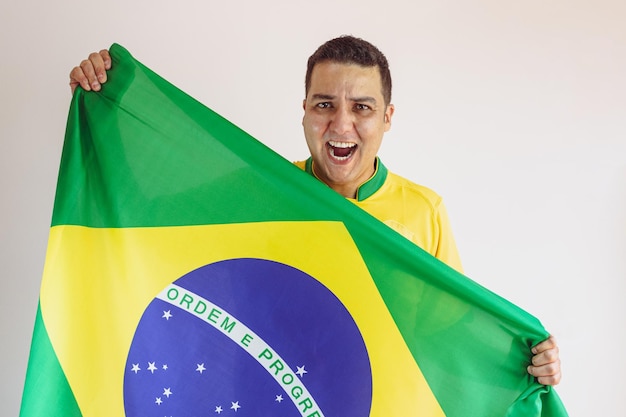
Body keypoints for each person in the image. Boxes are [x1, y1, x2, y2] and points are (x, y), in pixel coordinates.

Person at [69, 35, 561, 386]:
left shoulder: (424, 211)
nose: (341, 124)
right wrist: (109, 112)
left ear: (388, 118)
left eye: (362, 108)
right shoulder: (261, 193)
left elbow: (451, 343)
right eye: (325, 104)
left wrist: (524, 361)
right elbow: (147, 223)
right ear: (304, 109)